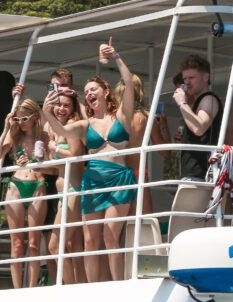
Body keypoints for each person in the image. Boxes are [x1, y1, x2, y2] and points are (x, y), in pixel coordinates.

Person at [42, 37, 135, 282]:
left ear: (105, 92)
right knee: (90, 239)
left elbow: (128, 82)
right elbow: (61, 132)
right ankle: (92, 288)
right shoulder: (85, 125)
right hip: (92, 180)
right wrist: (46, 111)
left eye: (93, 89)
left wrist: (115, 56)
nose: (89, 93)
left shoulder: (121, 117)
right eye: (86, 92)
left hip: (119, 178)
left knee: (110, 235)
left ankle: (118, 286)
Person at [0, 98, 50, 288]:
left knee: (33, 244)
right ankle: (17, 289)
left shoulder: (45, 135)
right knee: (16, 244)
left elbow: (54, 166)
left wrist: (39, 160)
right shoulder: (14, 136)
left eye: (23, 119)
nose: (20, 123)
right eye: (17, 119)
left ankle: (31, 287)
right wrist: (6, 127)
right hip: (16, 185)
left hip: (38, 185)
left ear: (34, 117)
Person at [114, 74, 171, 215]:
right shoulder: (145, 118)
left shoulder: (110, 117)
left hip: (116, 173)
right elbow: (165, 152)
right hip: (137, 173)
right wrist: (164, 126)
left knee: (117, 227)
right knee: (143, 223)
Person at [46, 90, 86, 284]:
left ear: (72, 109)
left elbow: (76, 155)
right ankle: (75, 286)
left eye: (66, 105)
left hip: (72, 191)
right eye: (58, 104)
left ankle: (69, 288)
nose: (61, 108)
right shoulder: (57, 128)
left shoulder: (70, 126)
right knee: (70, 246)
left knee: (55, 246)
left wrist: (54, 149)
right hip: (64, 193)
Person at [172, 54, 226, 181]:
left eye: (191, 77)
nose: (187, 82)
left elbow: (199, 128)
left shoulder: (208, 99)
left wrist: (182, 103)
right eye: (185, 78)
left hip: (201, 174)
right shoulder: (199, 102)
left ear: (205, 77)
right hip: (195, 173)